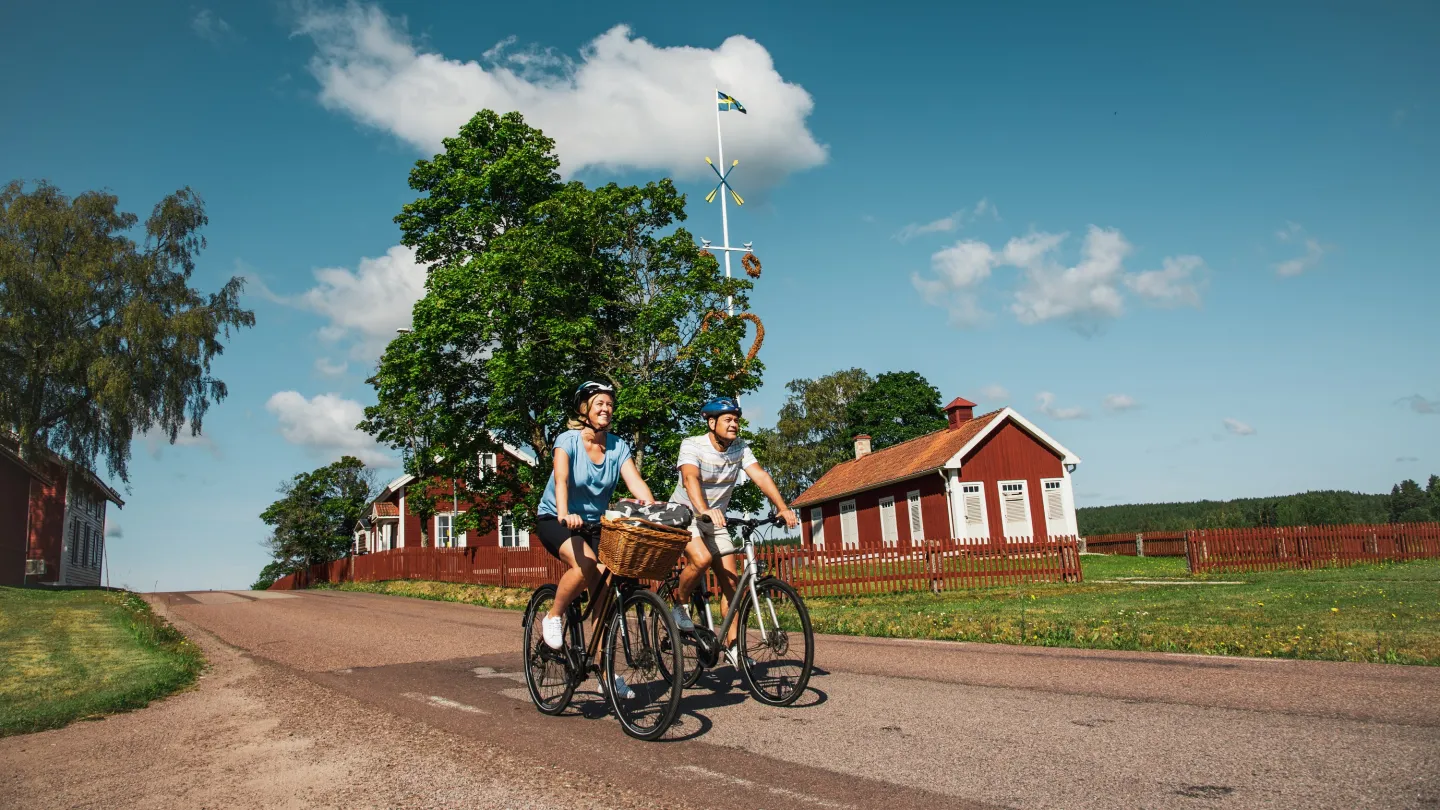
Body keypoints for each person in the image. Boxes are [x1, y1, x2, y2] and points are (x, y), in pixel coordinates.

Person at [669, 396, 798, 666]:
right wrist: (703, 509)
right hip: (686, 514)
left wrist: (783, 507)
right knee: (701, 559)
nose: (734, 424)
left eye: (736, 420)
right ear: (712, 422)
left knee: (732, 586)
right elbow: (690, 478)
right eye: (728, 420)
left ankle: (733, 647)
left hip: (715, 520)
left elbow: (760, 475)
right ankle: (678, 605)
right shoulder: (692, 445)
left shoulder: (739, 447)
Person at [535, 381, 657, 656]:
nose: (606, 409)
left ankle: (603, 669)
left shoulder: (617, 446)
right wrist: (564, 514)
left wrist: (652, 510)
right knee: (586, 566)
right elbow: (562, 479)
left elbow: (635, 482)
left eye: (610, 404)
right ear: (584, 409)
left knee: (605, 589)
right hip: (556, 519)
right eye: (600, 403)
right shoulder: (567, 440)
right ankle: (554, 616)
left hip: (595, 523)